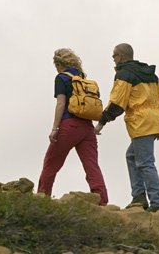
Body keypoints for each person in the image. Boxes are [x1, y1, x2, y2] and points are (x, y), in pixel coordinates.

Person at [94, 43, 159, 212]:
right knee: (131, 156)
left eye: (113, 56)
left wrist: (100, 123)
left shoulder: (124, 74)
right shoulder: (150, 74)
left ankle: (158, 203)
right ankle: (139, 196)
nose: (113, 59)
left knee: (145, 163)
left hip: (141, 121)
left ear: (120, 56)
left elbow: (117, 103)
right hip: (153, 120)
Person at [38, 48, 109, 206]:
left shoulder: (61, 78)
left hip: (69, 125)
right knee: (91, 165)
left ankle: (41, 200)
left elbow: (61, 103)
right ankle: (102, 200)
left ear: (59, 64)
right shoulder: (83, 79)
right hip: (88, 128)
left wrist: (55, 129)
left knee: (51, 163)